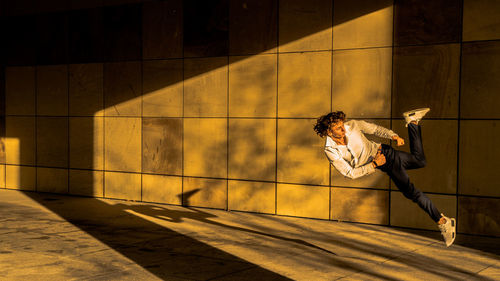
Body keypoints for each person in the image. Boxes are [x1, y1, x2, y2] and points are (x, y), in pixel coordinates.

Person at [313, 108, 456, 247]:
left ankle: (442, 222)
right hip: (382, 161)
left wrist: (393, 135)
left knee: (411, 192)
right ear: (328, 132)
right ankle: (412, 122)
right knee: (419, 161)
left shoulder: (354, 125)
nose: (343, 129)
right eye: (338, 128)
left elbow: (375, 129)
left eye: (342, 125)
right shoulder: (330, 150)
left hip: (386, 155)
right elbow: (349, 173)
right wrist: (374, 165)